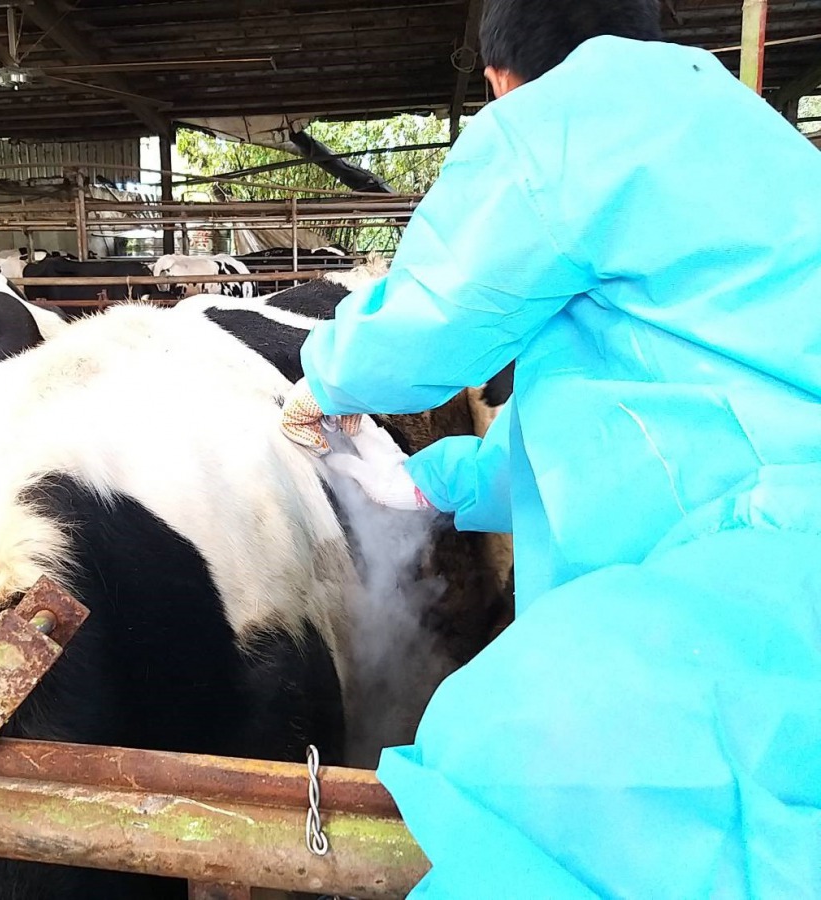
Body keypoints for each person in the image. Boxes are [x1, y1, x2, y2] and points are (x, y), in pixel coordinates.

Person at [280, 1, 821, 896]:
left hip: (754, 565)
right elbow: (621, 403)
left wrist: (328, 377)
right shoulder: (744, 123)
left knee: (529, 760)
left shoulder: (560, 122)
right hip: (769, 529)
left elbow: (432, 318)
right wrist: (437, 481)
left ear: (500, 81)